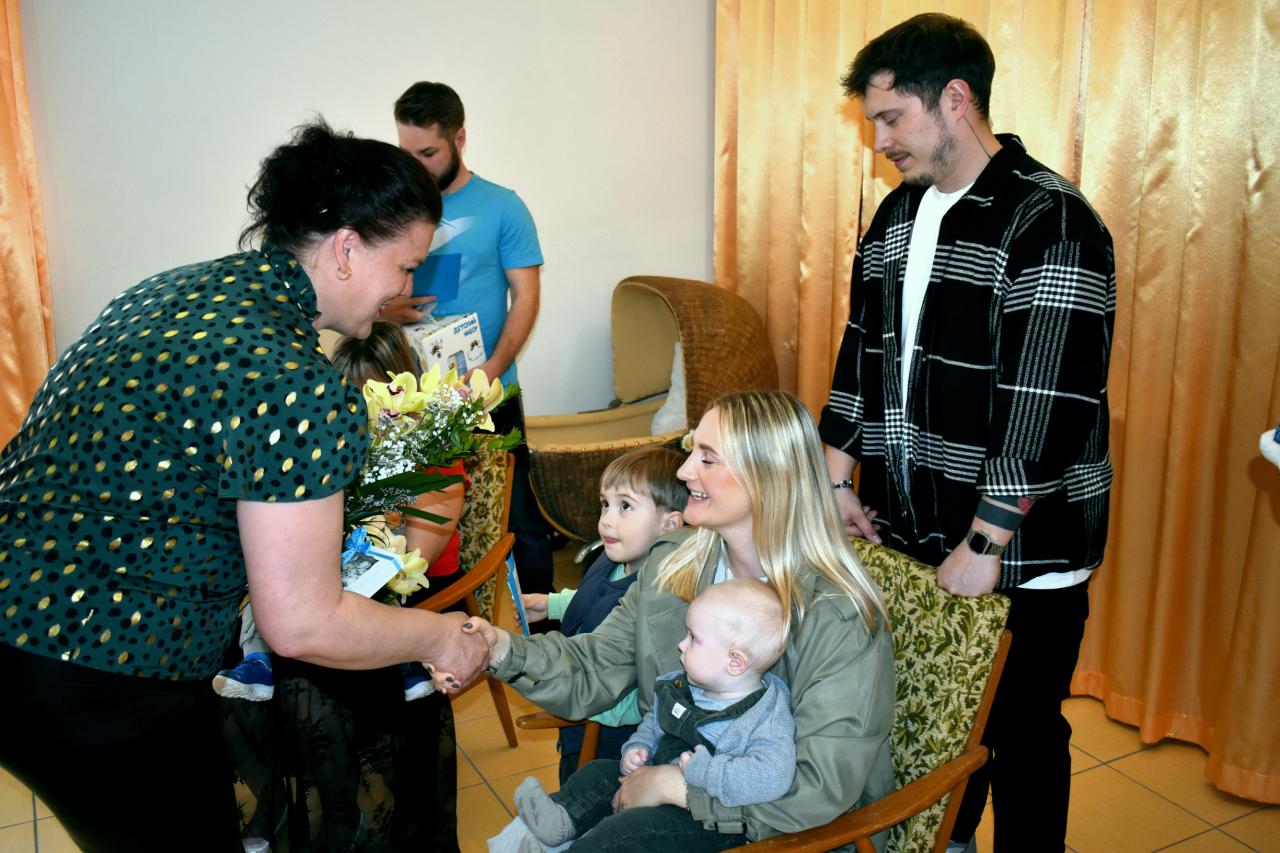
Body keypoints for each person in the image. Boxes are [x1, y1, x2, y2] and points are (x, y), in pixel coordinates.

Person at [0, 120, 489, 851]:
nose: (406, 289)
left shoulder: (166, 292)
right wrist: (441, 635)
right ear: (347, 248)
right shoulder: (293, 380)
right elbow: (301, 622)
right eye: (406, 265)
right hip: (98, 663)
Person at [819, 14, 1116, 852]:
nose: (879, 140)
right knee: (939, 722)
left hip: (1020, 544)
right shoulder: (897, 215)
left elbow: (1044, 404)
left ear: (956, 99)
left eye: (891, 118)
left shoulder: (1050, 220)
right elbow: (860, 352)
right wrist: (837, 481)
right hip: (917, 525)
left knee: (1021, 734)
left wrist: (985, 541)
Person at [456, 389, 896, 851]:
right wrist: (498, 648)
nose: (684, 472)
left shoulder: (837, 615)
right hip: (678, 793)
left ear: (767, 475)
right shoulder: (673, 564)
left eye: (707, 458)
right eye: (691, 453)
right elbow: (596, 664)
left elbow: (819, 787)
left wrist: (677, 788)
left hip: (789, 833)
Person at [213, 321, 464, 703]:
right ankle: (258, 665)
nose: (358, 415)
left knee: (312, 669)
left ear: (402, 394)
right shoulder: (334, 452)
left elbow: (412, 562)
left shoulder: (435, 459)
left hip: (413, 591)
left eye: (371, 400)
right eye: (349, 400)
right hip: (340, 587)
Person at [389, 81, 555, 603]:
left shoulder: (503, 207)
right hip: (407, 399)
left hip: (488, 391)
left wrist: (493, 369)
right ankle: (439, 619)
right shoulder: (392, 209)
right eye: (406, 153)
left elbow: (526, 298)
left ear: (459, 139)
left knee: (515, 514)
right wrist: (386, 310)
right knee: (414, 517)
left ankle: (541, 622)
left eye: (428, 153)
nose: (416, 166)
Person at [499, 579, 795, 852]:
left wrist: (705, 771)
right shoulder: (681, 684)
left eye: (694, 638)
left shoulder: (765, 717)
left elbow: (771, 776)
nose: (681, 644)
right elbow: (654, 721)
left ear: (735, 662)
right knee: (599, 772)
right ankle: (560, 818)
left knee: (627, 833)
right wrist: (639, 747)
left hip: (704, 821)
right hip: (655, 778)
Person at [521, 445, 688, 781]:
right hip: (582, 695)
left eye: (625, 506)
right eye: (605, 504)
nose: (607, 520)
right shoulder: (614, 560)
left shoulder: (663, 595)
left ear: (669, 524)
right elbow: (597, 598)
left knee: (586, 789)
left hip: (612, 737)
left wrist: (582, 702)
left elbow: (646, 685)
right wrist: (551, 604)